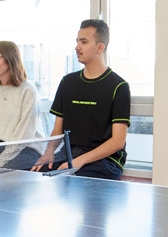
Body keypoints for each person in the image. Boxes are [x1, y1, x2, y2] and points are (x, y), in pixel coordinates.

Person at [31, 19, 130, 179]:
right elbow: (58, 130)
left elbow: (117, 141)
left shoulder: (119, 86)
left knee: (71, 180)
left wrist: (79, 161)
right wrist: (49, 153)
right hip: (70, 154)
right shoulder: (67, 82)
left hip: (106, 160)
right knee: (36, 174)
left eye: (83, 42)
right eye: (77, 41)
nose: (77, 47)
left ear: (100, 47)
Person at [0, 40, 43, 168]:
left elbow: (24, 134)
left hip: (26, 148)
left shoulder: (28, 90)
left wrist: (0, 162)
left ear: (11, 59)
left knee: (2, 175)